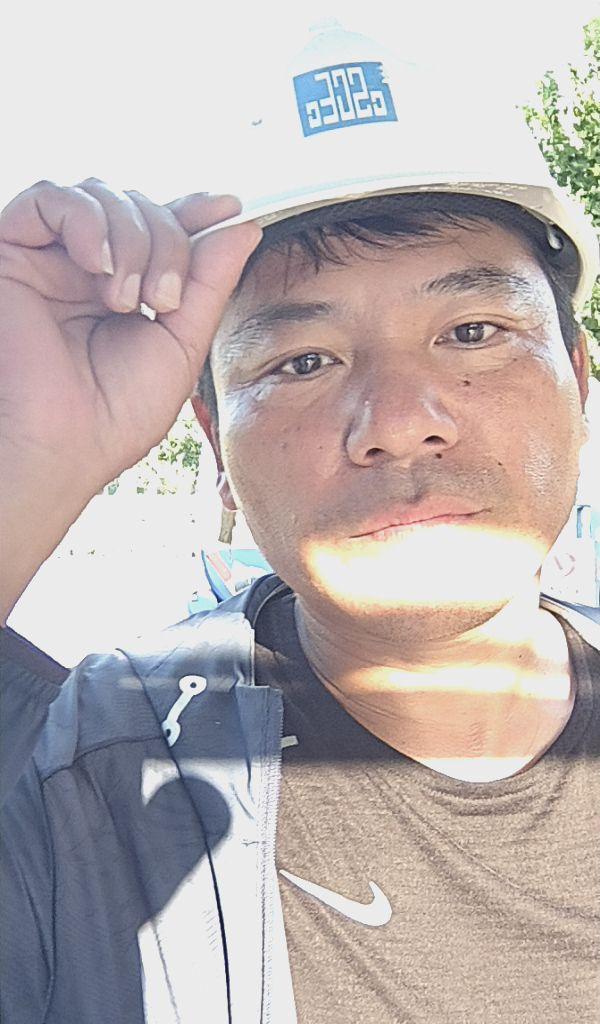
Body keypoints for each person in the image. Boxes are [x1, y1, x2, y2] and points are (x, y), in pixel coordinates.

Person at [1, 22, 599, 1024]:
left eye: (472, 332)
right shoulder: (93, 768)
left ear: (578, 382)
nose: (399, 422)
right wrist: (20, 459)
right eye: (303, 362)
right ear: (214, 441)